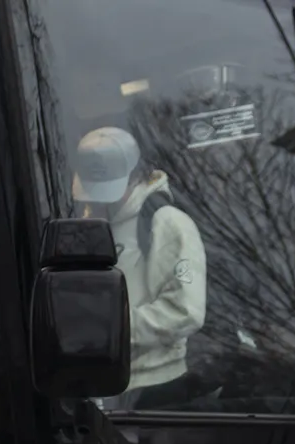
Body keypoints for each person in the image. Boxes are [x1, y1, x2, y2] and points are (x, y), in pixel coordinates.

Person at [73, 126, 208, 410]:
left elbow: (186, 312)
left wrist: (110, 331)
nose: (99, 200)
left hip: (156, 392)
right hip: (109, 388)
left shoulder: (166, 222)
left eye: (108, 191)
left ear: (136, 176)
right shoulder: (95, 223)